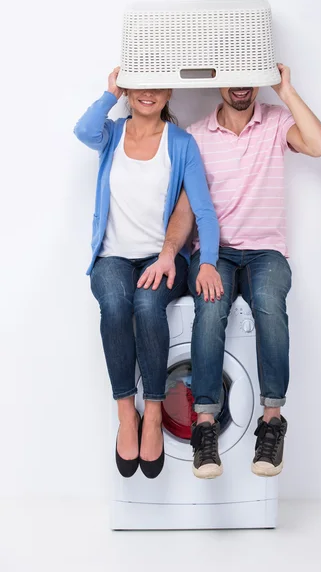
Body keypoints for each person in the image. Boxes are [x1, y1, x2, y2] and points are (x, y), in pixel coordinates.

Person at [185, 64, 321, 479]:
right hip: (217, 253)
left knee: (269, 305)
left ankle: (271, 424)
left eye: (249, 76)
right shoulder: (197, 135)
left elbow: (320, 145)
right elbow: (185, 204)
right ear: (219, 84)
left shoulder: (275, 122)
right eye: (232, 76)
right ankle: (205, 429)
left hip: (266, 251)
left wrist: (285, 90)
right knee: (211, 311)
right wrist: (205, 260)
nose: (241, 85)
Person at [74, 67, 221, 479]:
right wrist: (109, 94)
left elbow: (204, 211)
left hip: (162, 259)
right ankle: (126, 413)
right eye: (140, 85)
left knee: (146, 304)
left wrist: (204, 259)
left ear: (169, 92)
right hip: (112, 258)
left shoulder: (181, 144)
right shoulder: (112, 135)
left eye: (158, 87)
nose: (149, 94)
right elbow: (83, 131)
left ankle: (153, 411)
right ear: (128, 90)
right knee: (116, 304)